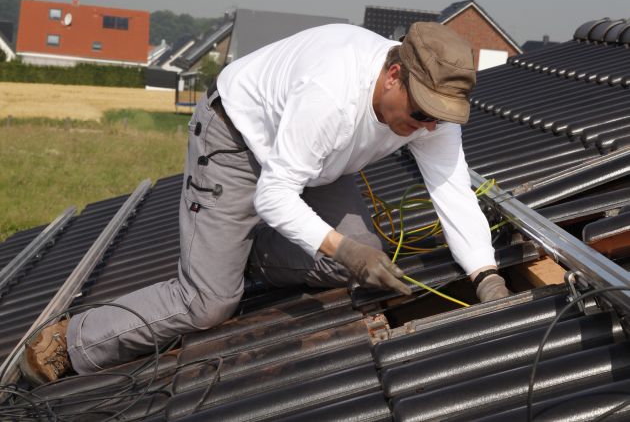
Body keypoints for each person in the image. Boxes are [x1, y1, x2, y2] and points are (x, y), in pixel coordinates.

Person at [20, 22, 509, 385]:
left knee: (355, 261)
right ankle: (73, 339)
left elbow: (450, 188)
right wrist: (343, 248)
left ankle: (246, 248)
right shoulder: (332, 94)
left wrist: (485, 275)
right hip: (237, 141)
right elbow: (274, 194)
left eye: (438, 119)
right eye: (421, 113)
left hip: (311, 164)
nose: (427, 127)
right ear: (393, 76)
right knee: (210, 303)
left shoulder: (433, 116)